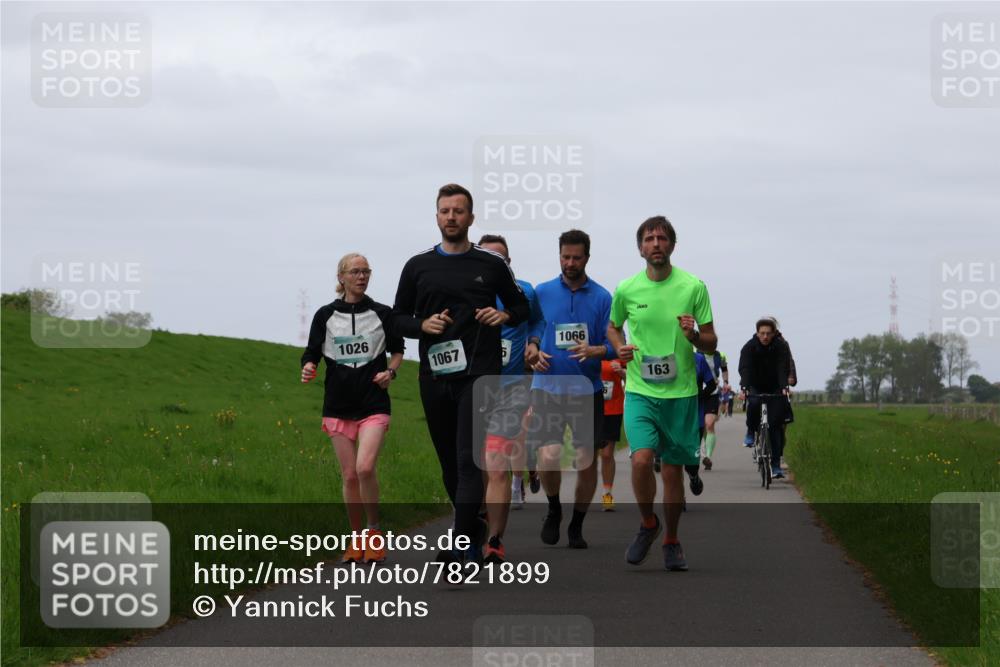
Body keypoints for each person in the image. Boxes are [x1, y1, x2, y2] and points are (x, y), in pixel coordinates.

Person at [390, 184, 529, 565]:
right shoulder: (417, 266)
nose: (451, 217)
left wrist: (503, 315)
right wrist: (423, 326)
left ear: (471, 217)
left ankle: (460, 547)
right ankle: (472, 525)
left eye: (458, 211)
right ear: (436, 217)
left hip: (480, 374)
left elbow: (521, 306)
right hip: (435, 376)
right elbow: (397, 318)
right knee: (449, 463)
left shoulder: (491, 264)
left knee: (469, 459)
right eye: (445, 211)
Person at [607, 215, 717, 571]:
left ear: (672, 244)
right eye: (649, 238)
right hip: (640, 390)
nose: (656, 243)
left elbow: (712, 342)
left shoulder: (693, 287)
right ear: (640, 248)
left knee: (672, 472)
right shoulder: (626, 289)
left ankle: (671, 539)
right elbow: (612, 327)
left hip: (682, 394)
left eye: (662, 238)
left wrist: (695, 337)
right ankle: (647, 523)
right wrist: (620, 347)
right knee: (640, 459)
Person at [301, 253, 404, 564]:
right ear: (341, 277)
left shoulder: (383, 313)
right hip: (337, 404)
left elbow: (398, 350)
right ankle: (356, 538)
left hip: (373, 401)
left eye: (366, 271)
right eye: (356, 272)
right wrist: (308, 366)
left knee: (365, 468)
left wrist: (391, 372)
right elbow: (311, 351)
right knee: (348, 476)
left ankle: (374, 533)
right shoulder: (325, 315)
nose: (362, 277)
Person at [526, 229, 616, 549]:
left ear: (587, 258)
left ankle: (577, 523)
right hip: (547, 387)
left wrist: (596, 351)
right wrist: (532, 351)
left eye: (576, 257)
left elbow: (616, 346)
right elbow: (529, 332)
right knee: (549, 454)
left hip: (586, 390)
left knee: (586, 459)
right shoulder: (542, 292)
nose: (570, 263)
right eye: (565, 256)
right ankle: (553, 509)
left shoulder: (603, 297)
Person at [476, 234, 544, 564]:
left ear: (509, 263)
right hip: (473, 389)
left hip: (512, 387)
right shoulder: (466, 292)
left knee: (497, 466)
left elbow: (539, 320)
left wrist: (533, 341)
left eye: (500, 258)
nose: (493, 263)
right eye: (486, 256)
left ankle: (495, 539)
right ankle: (476, 524)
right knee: (474, 469)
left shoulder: (524, 291)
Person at [738, 317, 791, 480]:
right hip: (755, 384)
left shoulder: (781, 346)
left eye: (768, 333)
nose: (765, 337)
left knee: (775, 427)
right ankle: (750, 430)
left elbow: (783, 368)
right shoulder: (749, 347)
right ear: (757, 333)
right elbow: (745, 368)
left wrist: (784, 387)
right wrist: (745, 388)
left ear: (774, 334)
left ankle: (775, 466)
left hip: (775, 385)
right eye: (762, 333)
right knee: (753, 403)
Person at [599, 359, 627, 511]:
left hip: (613, 409)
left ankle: (607, 494)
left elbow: (633, 379)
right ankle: (584, 493)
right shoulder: (588, 349)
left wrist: (623, 373)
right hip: (590, 407)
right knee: (587, 454)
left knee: (606, 454)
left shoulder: (618, 353)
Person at [698, 350, 728, 470]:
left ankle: (707, 457)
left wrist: (726, 382)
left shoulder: (720, 355)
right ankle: (702, 453)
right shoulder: (696, 354)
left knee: (709, 424)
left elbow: (724, 369)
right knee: (701, 426)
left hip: (712, 392)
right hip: (697, 392)